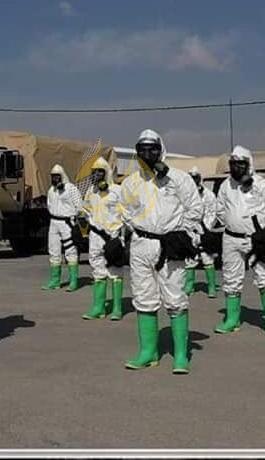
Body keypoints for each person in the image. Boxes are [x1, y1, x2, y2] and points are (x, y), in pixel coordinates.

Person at [120, 129, 203, 374]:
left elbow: (195, 208)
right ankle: (149, 352)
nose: (148, 154)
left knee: (175, 298)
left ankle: (181, 355)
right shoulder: (131, 182)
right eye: (142, 149)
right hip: (141, 245)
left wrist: (181, 233)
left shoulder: (178, 179)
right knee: (144, 298)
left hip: (170, 245)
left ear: (161, 150)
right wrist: (135, 230)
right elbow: (124, 210)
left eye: (153, 149)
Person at [213, 146, 265, 337]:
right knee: (231, 279)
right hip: (231, 238)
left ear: (249, 164)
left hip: (255, 239)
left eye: (240, 164)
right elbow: (219, 209)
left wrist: (260, 226)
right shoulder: (226, 185)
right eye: (233, 164)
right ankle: (232, 319)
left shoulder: (261, 184)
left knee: (264, 277)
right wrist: (230, 221)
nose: (236, 167)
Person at [81, 156, 126, 321]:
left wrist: (121, 234)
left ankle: (117, 308)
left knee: (115, 271)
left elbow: (127, 213)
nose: (97, 175)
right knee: (97, 270)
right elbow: (86, 209)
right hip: (95, 236)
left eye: (100, 171)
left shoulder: (118, 191)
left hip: (113, 236)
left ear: (106, 172)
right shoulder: (91, 191)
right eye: (94, 172)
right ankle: (98, 308)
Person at [42, 164, 83, 292]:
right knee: (53, 251)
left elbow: (79, 206)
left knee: (71, 250)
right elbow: (49, 205)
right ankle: (55, 281)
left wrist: (72, 216)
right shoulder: (51, 190)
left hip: (67, 223)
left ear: (62, 176)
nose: (55, 179)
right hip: (54, 222)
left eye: (57, 176)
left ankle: (73, 281)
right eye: (53, 176)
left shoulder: (71, 189)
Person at [184, 167, 220, 298]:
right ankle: (189, 285)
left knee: (207, 258)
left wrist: (205, 228)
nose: (193, 181)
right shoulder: (184, 195)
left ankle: (211, 287)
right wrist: (189, 227)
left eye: (195, 178)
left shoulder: (208, 195)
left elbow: (213, 212)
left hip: (205, 230)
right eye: (191, 178)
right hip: (190, 230)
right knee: (190, 258)